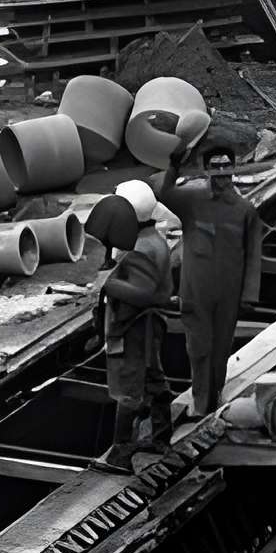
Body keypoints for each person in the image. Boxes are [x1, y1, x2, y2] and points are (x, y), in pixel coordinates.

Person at [155, 117, 263, 413]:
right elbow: (163, 194)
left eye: (226, 167)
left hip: (228, 292)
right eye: (215, 168)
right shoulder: (191, 200)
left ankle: (214, 397)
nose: (221, 174)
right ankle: (201, 403)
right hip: (195, 291)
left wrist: (249, 295)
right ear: (206, 170)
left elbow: (254, 255)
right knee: (198, 348)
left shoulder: (245, 211)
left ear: (233, 169)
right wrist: (174, 165)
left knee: (219, 352)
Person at [93, 190, 176, 469]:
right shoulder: (155, 239)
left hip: (134, 325)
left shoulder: (140, 249)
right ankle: (161, 436)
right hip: (151, 323)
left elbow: (142, 294)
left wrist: (109, 284)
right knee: (153, 376)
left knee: (127, 387)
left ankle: (121, 454)